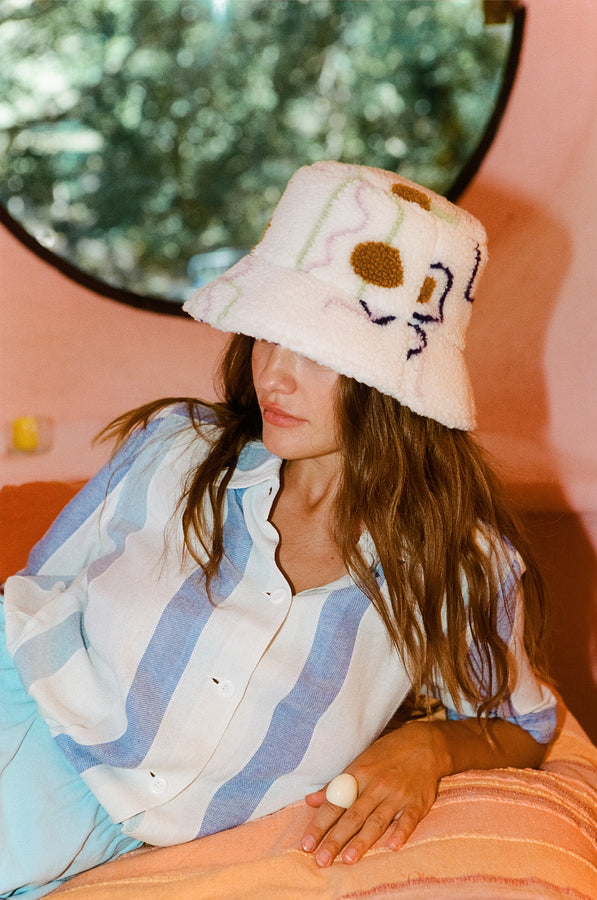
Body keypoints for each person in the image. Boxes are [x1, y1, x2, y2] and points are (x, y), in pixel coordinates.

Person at [1, 161, 556, 897]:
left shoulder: (462, 564)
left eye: (317, 353)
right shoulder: (175, 450)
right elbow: (37, 588)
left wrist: (430, 745)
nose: (274, 377)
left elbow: (521, 722)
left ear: (396, 380)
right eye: (268, 335)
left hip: (118, 841)